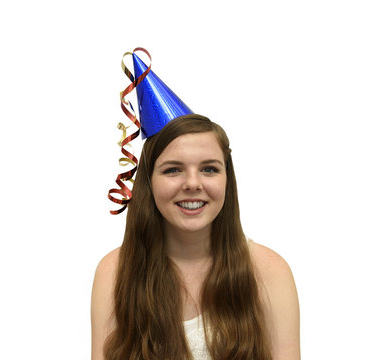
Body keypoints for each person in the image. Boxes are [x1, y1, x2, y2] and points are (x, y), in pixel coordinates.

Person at [92, 49, 300, 360]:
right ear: (149, 182)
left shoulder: (269, 272)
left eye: (209, 168)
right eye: (173, 169)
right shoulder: (115, 271)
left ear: (227, 179)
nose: (193, 183)